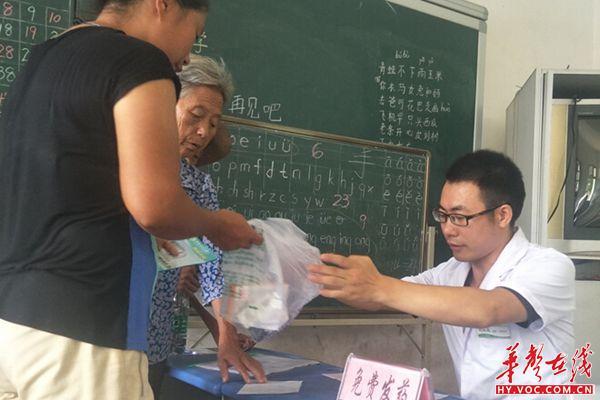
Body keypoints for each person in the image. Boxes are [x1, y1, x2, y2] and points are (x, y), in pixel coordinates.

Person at [0, 0, 262, 398]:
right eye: (194, 35)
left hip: (11, 320)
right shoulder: (140, 60)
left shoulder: (44, 56)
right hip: (82, 326)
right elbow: (156, 207)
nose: (185, 57)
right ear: (162, 5)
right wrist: (217, 224)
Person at [308, 150, 575, 400]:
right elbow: (385, 298)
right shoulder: (451, 271)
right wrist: (320, 279)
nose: (447, 229)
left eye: (459, 217)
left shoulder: (548, 265)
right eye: (443, 215)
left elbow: (487, 309)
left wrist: (378, 286)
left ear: (502, 215)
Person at [147, 55, 265, 398]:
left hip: (157, 341)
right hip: (105, 332)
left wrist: (225, 335)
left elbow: (212, 264)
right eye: (196, 116)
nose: (203, 132)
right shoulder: (125, 167)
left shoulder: (199, 185)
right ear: (163, 104)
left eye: (213, 123)